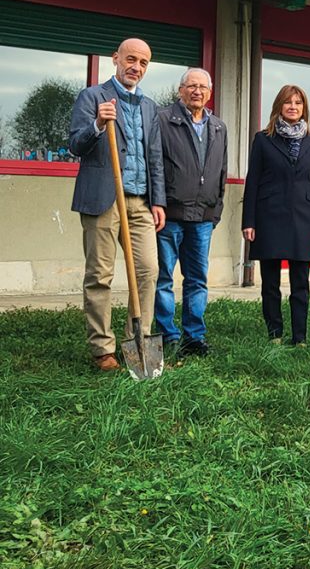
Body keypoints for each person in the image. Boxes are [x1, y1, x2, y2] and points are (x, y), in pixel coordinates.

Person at [68, 38, 166, 371]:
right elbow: (75, 145)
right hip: (103, 199)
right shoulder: (92, 97)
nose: (136, 67)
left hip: (139, 201)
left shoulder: (150, 107)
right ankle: (102, 349)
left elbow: (155, 156)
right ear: (116, 59)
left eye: (143, 62)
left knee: (149, 270)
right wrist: (97, 124)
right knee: (100, 274)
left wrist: (158, 202)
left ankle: (139, 343)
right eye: (131, 59)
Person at [242, 85, 310, 347]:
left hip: (303, 218)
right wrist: (249, 221)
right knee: (270, 283)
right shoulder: (262, 139)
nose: (293, 107)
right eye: (288, 102)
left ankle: (299, 337)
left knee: (300, 283)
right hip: (269, 216)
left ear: (304, 109)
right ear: (278, 106)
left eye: (298, 103)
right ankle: (275, 335)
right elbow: (253, 181)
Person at [154, 68, 228, 358]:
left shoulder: (218, 127)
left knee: (197, 279)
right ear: (180, 90)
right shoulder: (162, 120)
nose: (197, 91)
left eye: (203, 87)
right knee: (164, 279)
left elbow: (221, 170)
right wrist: (158, 203)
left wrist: (217, 207)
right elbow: (155, 167)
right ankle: (167, 335)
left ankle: (194, 336)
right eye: (191, 86)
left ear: (210, 92)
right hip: (170, 215)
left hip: (203, 218)